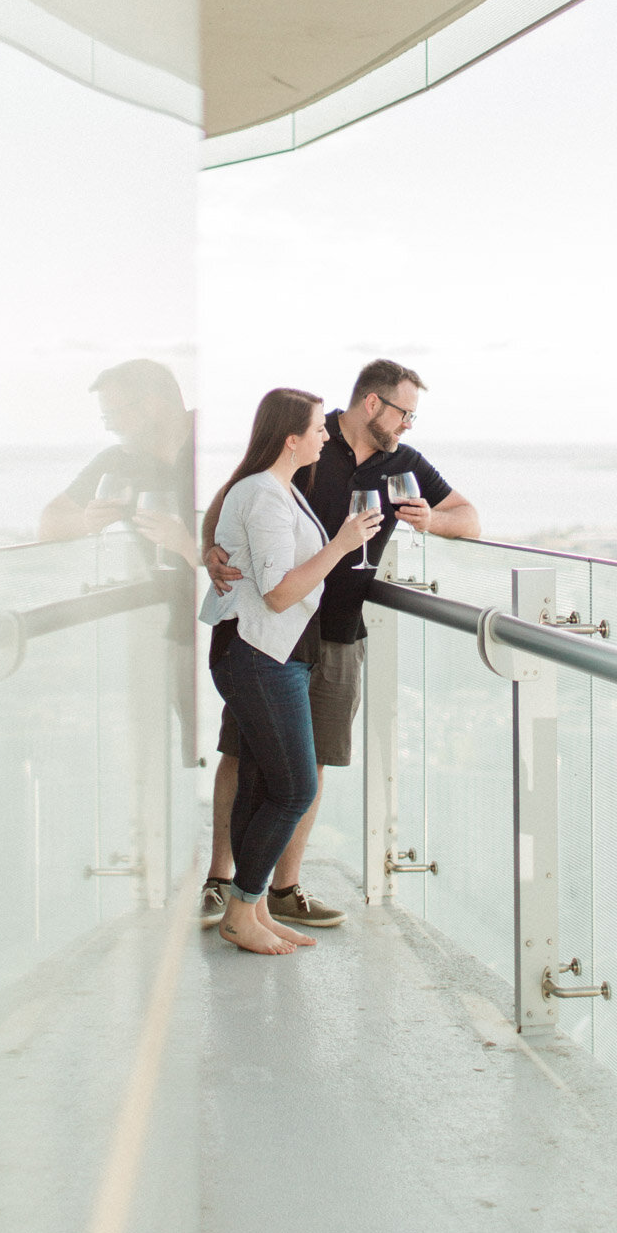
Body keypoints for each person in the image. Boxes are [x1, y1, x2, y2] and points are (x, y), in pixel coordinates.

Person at [200, 359, 480, 928]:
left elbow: (469, 519)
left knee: (314, 762)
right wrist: (212, 549)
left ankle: (283, 888)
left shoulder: (405, 463)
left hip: (339, 633)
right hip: (271, 632)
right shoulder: (308, 437)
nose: (409, 426)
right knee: (241, 752)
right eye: (405, 413)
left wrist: (432, 521)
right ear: (373, 404)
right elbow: (233, 499)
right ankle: (221, 879)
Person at [199, 387, 383, 955]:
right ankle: (242, 910)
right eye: (318, 429)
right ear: (292, 439)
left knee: (262, 783)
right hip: (257, 654)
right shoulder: (262, 494)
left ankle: (247, 913)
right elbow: (279, 594)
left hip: (276, 655)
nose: (326, 435)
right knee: (297, 788)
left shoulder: (278, 489)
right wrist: (345, 544)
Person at [39, 359, 197, 566]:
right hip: (158, 598)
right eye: (106, 417)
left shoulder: (222, 447)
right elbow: (49, 525)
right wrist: (86, 521)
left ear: (152, 405)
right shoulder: (117, 461)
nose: (109, 427)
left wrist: (184, 546)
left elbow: (246, 569)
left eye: (113, 414)